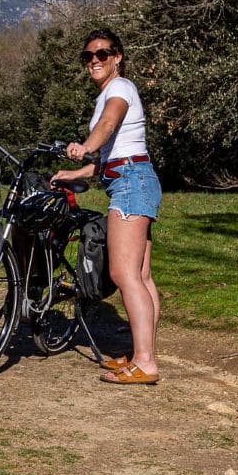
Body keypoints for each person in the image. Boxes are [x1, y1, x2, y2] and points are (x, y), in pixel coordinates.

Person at [54, 28, 162, 384]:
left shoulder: (119, 88)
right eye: (88, 56)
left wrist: (85, 146)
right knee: (141, 276)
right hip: (133, 177)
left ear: (118, 57)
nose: (95, 60)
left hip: (131, 184)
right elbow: (111, 158)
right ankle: (143, 354)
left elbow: (109, 123)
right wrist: (76, 173)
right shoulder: (111, 92)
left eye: (103, 53)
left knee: (124, 274)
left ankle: (145, 363)